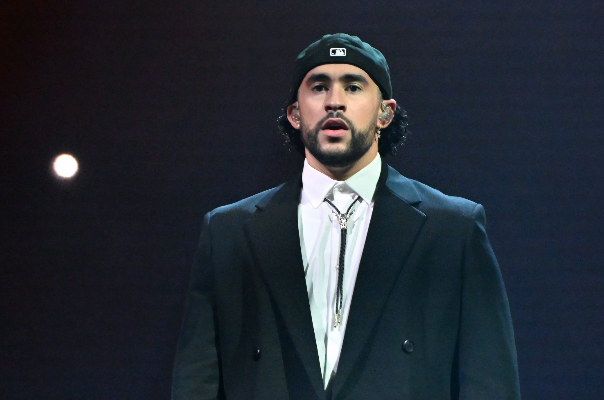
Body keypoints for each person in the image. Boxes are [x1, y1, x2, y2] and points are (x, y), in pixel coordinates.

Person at [172, 33, 520, 400]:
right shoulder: (228, 232)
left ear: (385, 113)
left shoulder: (453, 229)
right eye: (319, 87)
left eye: (353, 87)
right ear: (294, 114)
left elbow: (491, 384)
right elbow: (196, 381)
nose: (334, 101)